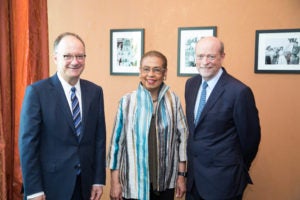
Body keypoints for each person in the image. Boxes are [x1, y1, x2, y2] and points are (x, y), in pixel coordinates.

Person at [19, 32, 106, 200]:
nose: (75, 61)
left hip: (84, 185)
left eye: (80, 56)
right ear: (55, 58)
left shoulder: (95, 92)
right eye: (68, 56)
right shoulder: (37, 92)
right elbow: (28, 145)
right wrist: (34, 190)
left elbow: (99, 139)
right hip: (49, 187)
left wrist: (98, 180)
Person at [185, 37, 261, 200]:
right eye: (200, 56)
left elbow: (250, 140)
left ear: (222, 57)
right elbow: (194, 132)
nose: (204, 62)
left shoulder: (239, 92)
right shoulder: (190, 84)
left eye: (211, 56)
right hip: (193, 182)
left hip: (224, 183)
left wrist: (235, 167)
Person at [107, 50, 188, 200]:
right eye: (146, 69)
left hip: (165, 184)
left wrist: (181, 176)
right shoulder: (127, 102)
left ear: (165, 73)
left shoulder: (173, 101)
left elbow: (182, 139)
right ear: (140, 72)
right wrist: (115, 182)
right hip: (133, 186)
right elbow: (116, 145)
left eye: (156, 70)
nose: (150, 74)